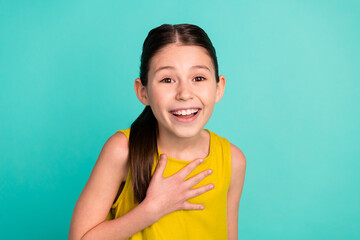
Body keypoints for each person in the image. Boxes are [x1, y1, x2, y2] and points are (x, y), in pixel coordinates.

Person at [69, 23, 246, 240]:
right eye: (167, 80)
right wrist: (151, 210)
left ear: (219, 88)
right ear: (143, 92)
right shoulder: (122, 151)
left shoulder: (233, 161)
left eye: (198, 78)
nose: (184, 93)